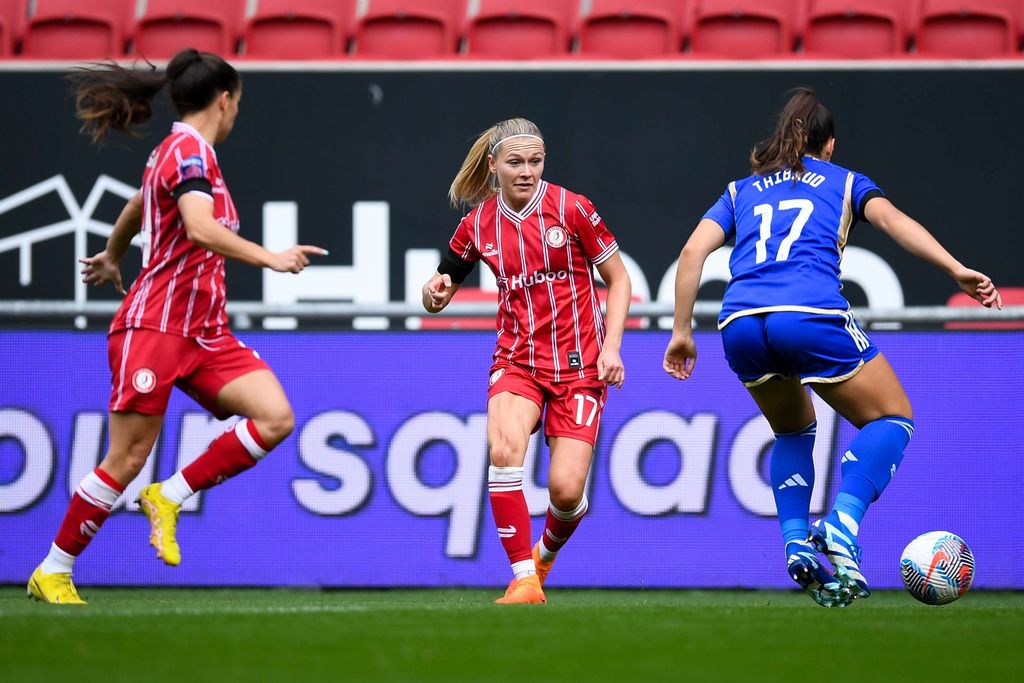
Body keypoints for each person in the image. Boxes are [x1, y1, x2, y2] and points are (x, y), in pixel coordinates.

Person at [663, 87, 1001, 607]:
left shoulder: (739, 191)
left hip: (741, 325)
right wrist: (956, 269)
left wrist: (682, 332)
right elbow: (895, 222)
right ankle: (843, 520)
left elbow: (692, 252)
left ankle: (796, 542)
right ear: (830, 144)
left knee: (792, 430)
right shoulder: (845, 182)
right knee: (893, 418)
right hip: (810, 314)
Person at [28, 48, 325, 605]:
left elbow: (138, 204)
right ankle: (54, 569)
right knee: (126, 457)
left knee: (275, 417)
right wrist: (271, 258)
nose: (236, 113)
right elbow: (199, 228)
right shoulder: (188, 150)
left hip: (204, 332)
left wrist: (113, 253)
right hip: (156, 328)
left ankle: (168, 495)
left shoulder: (185, 154)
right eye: (238, 103)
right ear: (225, 99)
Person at [422, 118, 632, 604]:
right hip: (517, 360)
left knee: (566, 492)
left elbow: (619, 279)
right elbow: (440, 287)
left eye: (535, 161)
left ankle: (542, 558)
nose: (527, 171)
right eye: (515, 162)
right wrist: (433, 296)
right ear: (493, 165)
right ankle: (523, 579)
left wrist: (612, 347)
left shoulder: (573, 209)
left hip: (580, 366)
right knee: (503, 451)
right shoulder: (477, 224)